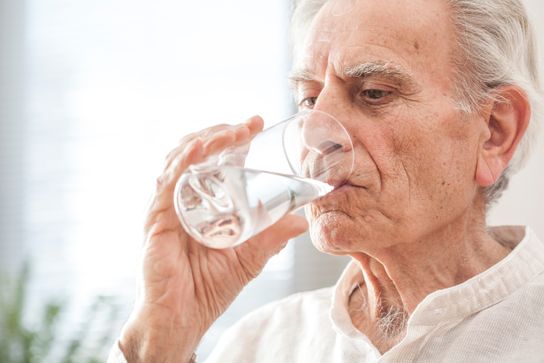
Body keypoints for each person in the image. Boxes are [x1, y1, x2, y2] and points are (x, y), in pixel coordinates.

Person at [108, 0, 544, 362]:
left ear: (494, 131)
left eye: (373, 92)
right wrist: (160, 340)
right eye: (310, 100)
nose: (315, 137)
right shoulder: (258, 344)